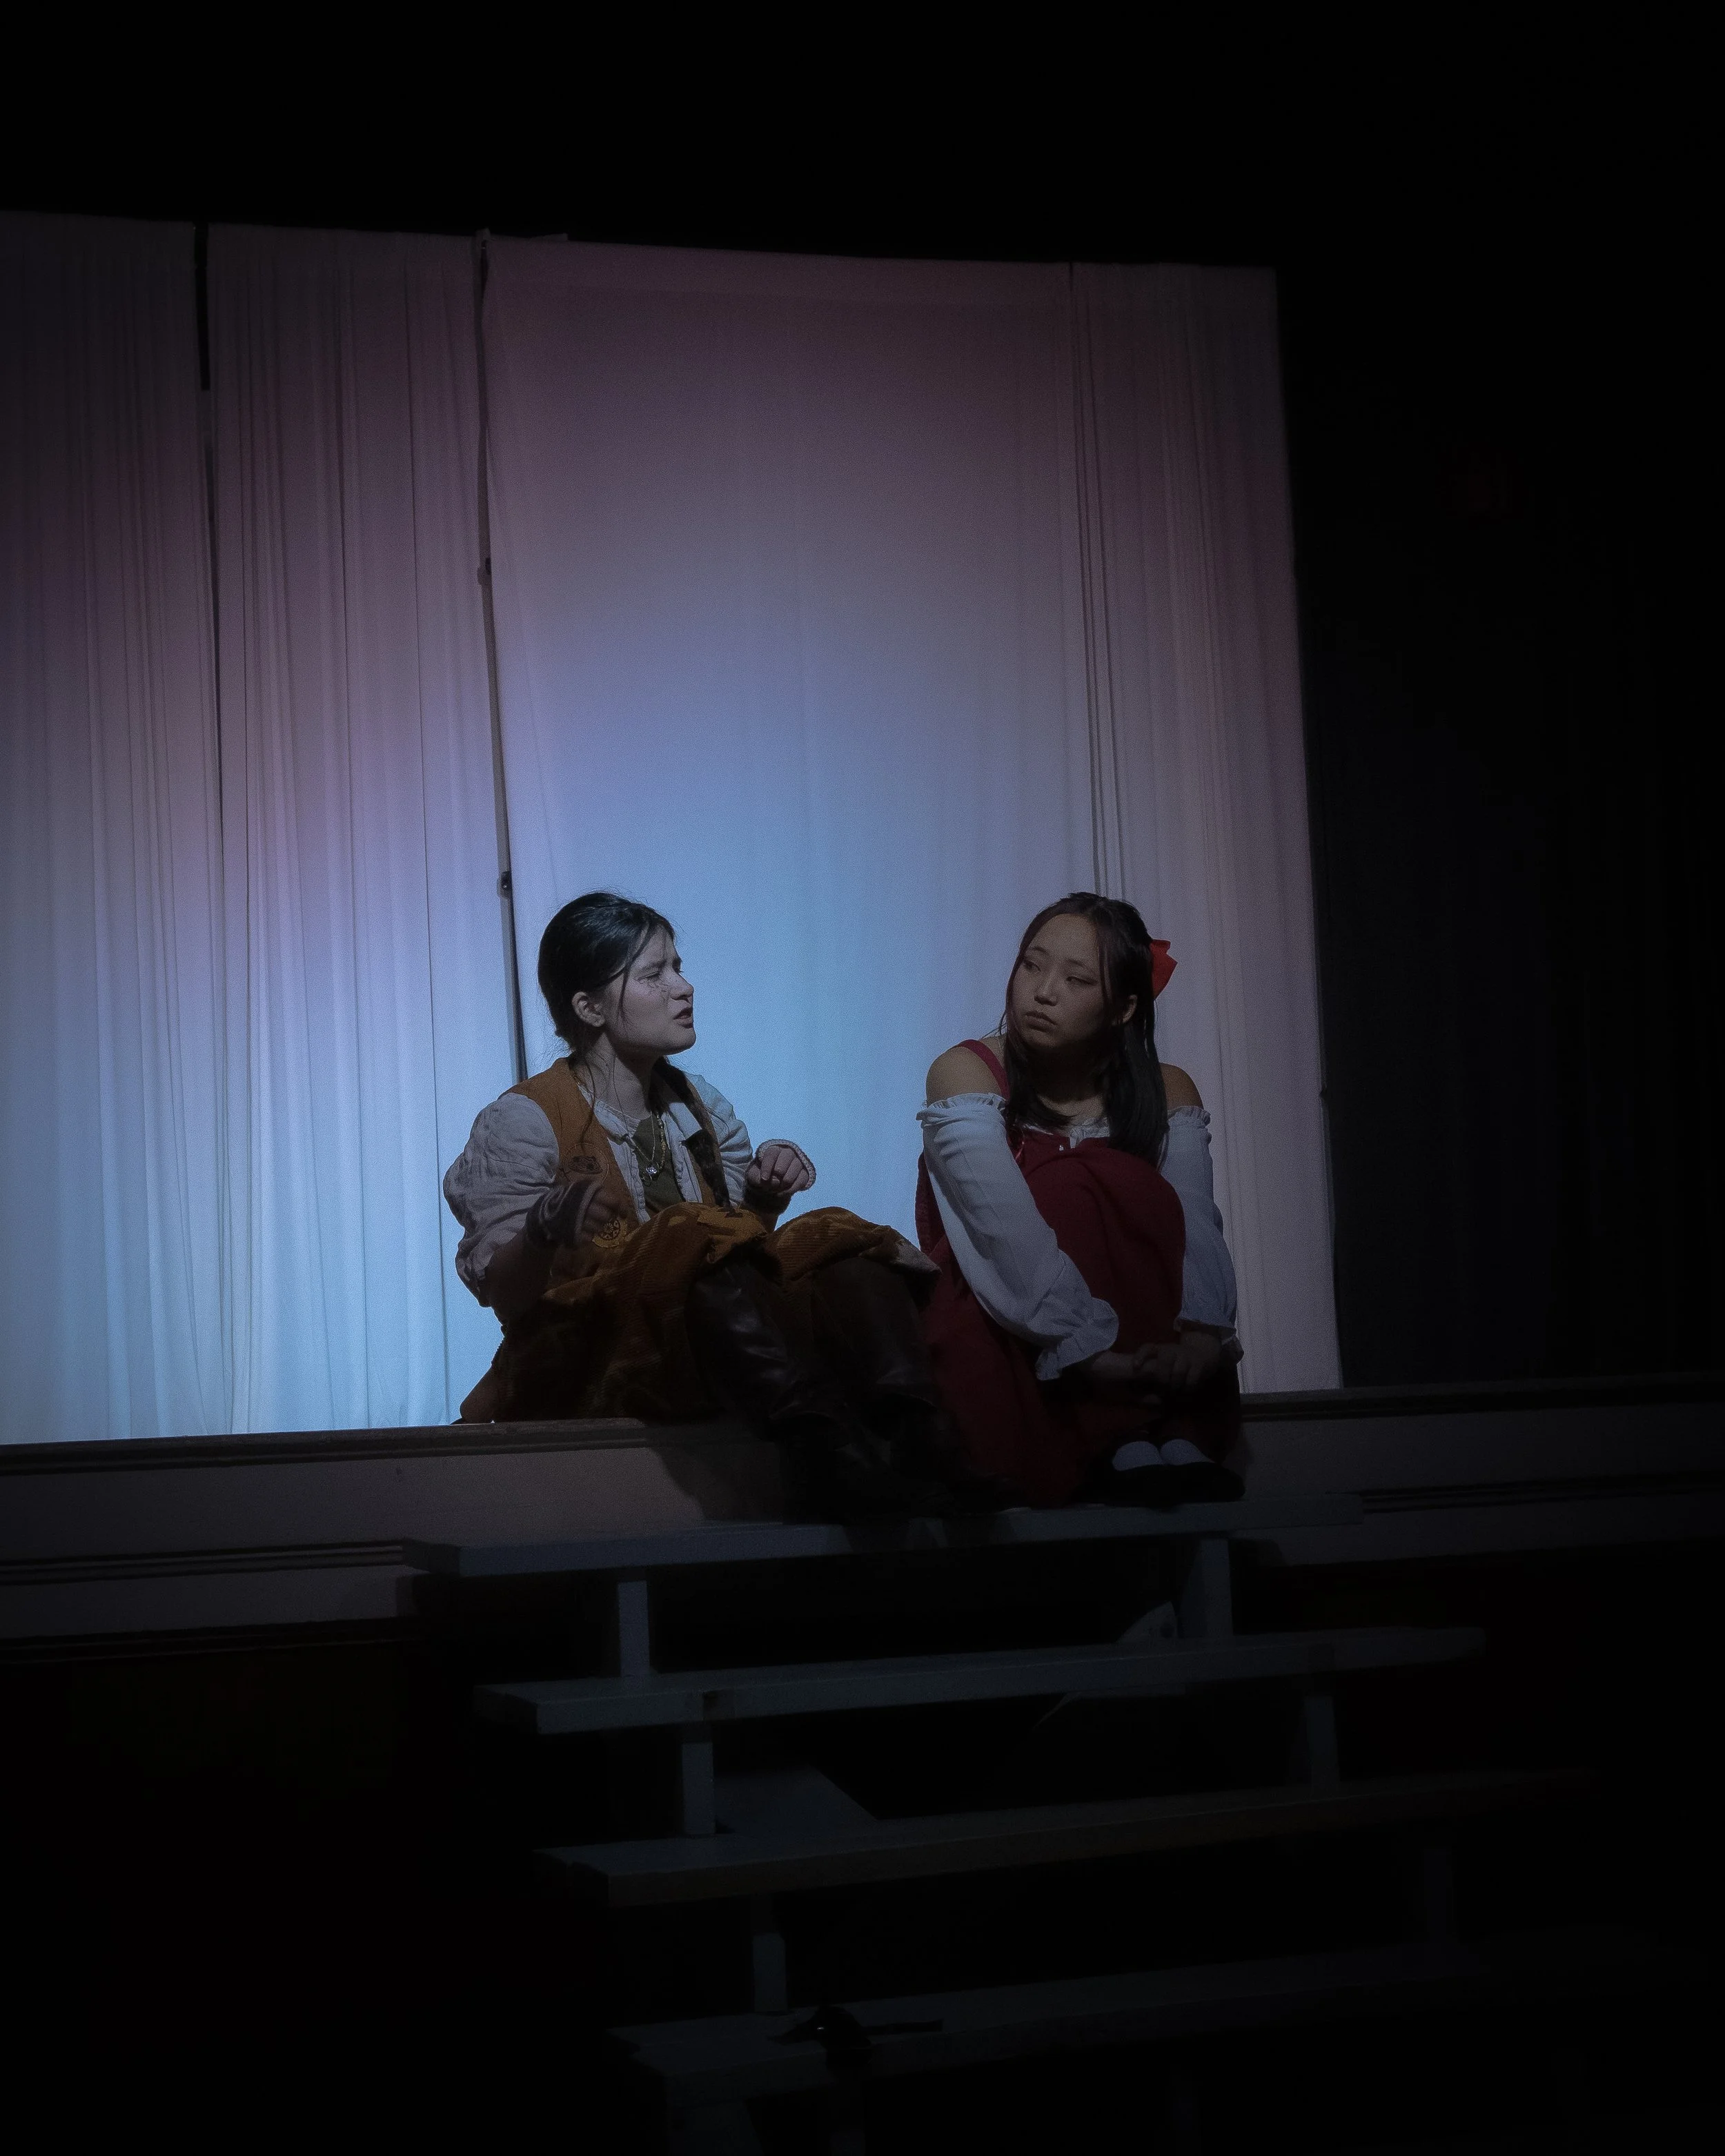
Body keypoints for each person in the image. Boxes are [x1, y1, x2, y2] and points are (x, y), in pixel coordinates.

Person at [444, 891, 960, 1521]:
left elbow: (732, 1256)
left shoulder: (699, 1107)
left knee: (835, 1237)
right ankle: (826, 1451)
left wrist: (763, 1199)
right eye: (654, 974)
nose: (683, 988)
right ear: (589, 1006)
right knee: (686, 1232)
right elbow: (507, 1296)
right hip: (592, 1357)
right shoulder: (525, 1121)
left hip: (694, 1345)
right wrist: (541, 1230)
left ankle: (920, 1440)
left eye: (678, 967)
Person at [916, 892, 1244, 1507]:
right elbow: (1005, 1233)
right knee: (1068, 1186)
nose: (1042, 992)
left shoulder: (1167, 1088)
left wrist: (1201, 1336)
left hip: (1147, 1336)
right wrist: (1087, 1350)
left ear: (1124, 1007)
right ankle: (1118, 1436)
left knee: (1138, 1195)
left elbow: (1195, 1222)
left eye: (1076, 979)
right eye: (1031, 965)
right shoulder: (968, 1071)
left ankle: (1169, 1436)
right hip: (1007, 1315)